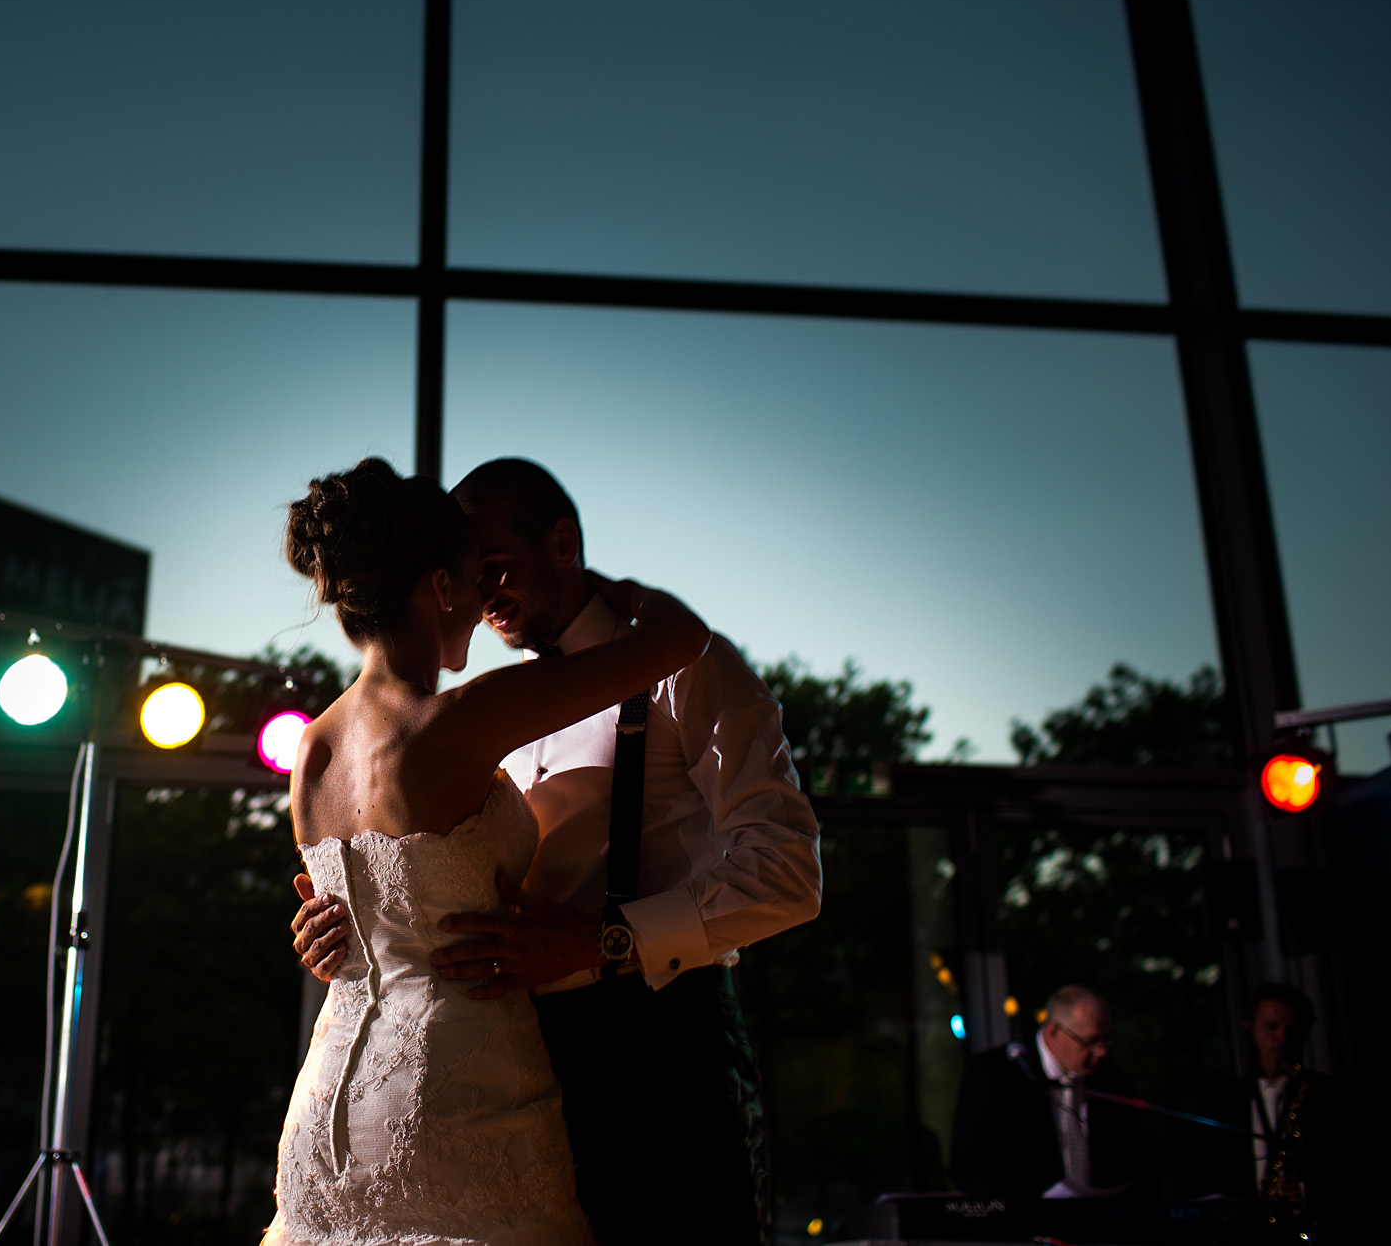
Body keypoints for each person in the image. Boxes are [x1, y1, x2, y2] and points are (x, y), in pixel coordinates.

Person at [291, 457, 823, 1246]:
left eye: (494, 565)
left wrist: (607, 939)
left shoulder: (686, 669)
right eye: (466, 571)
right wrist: (352, 930)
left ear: (563, 542)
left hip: (659, 1053)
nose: (479, 591)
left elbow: (788, 872)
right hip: (510, 1070)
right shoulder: (488, 709)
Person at [949, 984, 1144, 1198]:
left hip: (1101, 1224)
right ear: (1054, 1032)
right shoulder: (996, 1073)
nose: (1101, 1052)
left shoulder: (1113, 1083)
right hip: (1023, 1223)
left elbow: (1135, 1163)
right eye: (1090, 1042)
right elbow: (967, 1167)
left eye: (1105, 1040)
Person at [1189, 983, 1343, 1222]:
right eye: (1271, 1027)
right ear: (1249, 1028)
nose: (1281, 1038)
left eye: (1291, 1030)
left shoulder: (1332, 1096)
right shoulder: (1221, 1101)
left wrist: (1306, 1191)